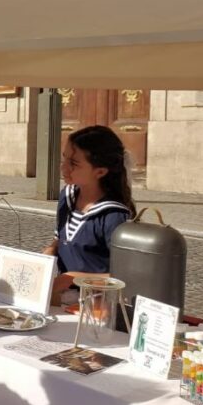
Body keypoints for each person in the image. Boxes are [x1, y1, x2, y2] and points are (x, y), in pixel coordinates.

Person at [44, 125, 135, 302]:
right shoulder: (67, 196)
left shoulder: (113, 216)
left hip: (98, 305)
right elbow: (61, 238)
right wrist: (50, 250)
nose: (64, 168)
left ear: (100, 171)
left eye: (74, 164)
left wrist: (72, 277)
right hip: (64, 299)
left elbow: (125, 276)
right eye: (65, 159)